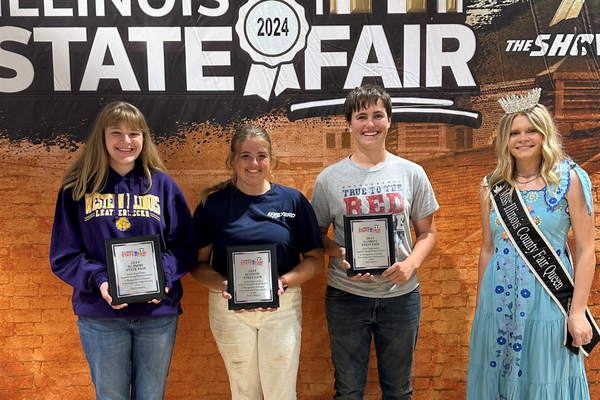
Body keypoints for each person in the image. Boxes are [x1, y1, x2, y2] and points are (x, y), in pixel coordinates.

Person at [49, 101, 198, 400]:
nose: (126, 141)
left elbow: (184, 247)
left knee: (151, 396)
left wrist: (163, 277)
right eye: (116, 132)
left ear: (144, 138)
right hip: (101, 315)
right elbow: (64, 255)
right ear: (101, 137)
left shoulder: (164, 186)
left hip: (157, 312)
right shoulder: (76, 188)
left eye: (134, 133)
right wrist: (101, 280)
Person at [311, 83, 439, 399]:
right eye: (361, 116)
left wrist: (411, 264)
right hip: (346, 296)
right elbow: (316, 235)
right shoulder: (329, 179)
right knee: (349, 390)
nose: (370, 124)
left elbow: (428, 233)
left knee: (398, 391)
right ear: (349, 123)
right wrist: (339, 252)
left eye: (377, 115)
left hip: (401, 296)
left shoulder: (412, 173)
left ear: (389, 120)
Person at [466, 88, 596, 399]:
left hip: (548, 301)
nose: (523, 139)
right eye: (514, 133)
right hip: (497, 301)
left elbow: (587, 248)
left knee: (545, 378)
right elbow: (488, 248)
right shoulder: (492, 186)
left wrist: (577, 311)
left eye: (531, 130)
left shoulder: (570, 179)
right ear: (504, 140)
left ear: (544, 134)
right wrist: (482, 308)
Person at [191, 123, 324, 400]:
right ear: (232, 160)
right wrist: (226, 284)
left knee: (282, 393)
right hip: (229, 307)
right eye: (245, 156)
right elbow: (199, 266)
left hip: (282, 306)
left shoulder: (293, 201)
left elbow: (314, 260)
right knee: (243, 393)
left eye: (261, 155)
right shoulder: (212, 205)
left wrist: (283, 281)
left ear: (271, 159)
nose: (254, 163)